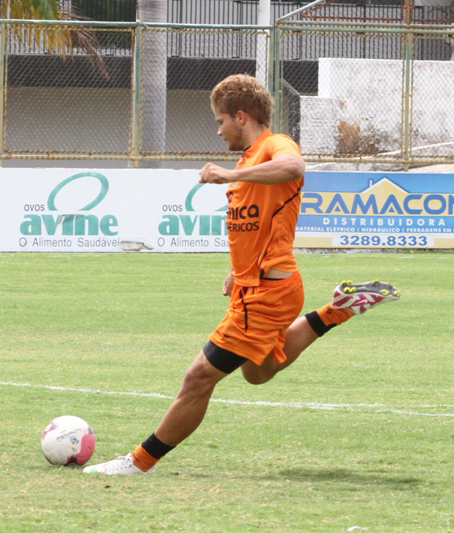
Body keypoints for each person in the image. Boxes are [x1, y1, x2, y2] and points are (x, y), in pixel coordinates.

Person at [84, 74, 401, 476]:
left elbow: (293, 166)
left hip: (266, 294)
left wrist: (230, 177)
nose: (218, 131)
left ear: (240, 116)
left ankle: (138, 462)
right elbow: (253, 226)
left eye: (220, 122)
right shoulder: (248, 159)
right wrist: (237, 272)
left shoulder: (273, 145)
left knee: (198, 377)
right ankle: (337, 310)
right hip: (260, 286)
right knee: (257, 372)